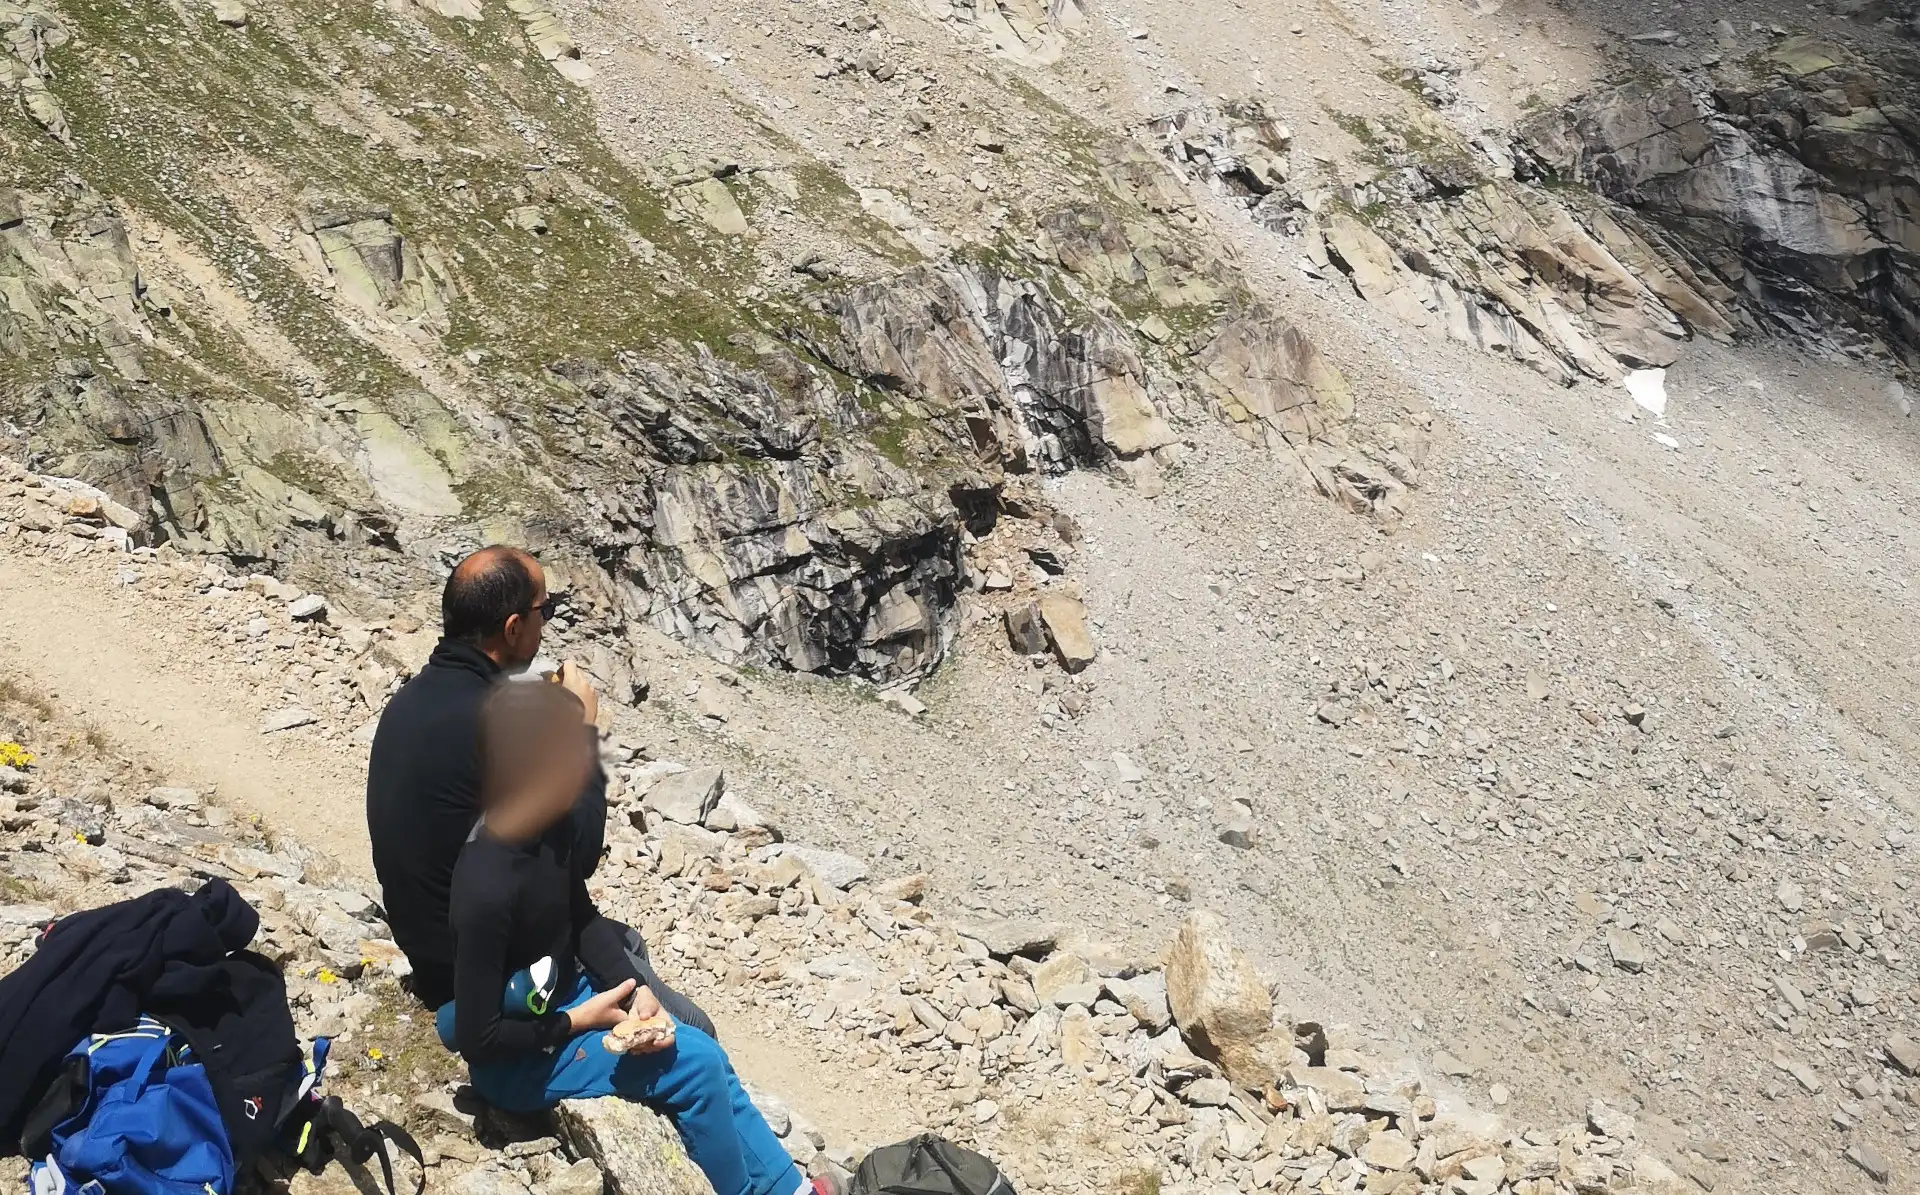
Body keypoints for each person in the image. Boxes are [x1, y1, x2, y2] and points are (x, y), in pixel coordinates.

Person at [441, 682, 831, 1195]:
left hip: (564, 1002)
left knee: (698, 1046)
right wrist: (578, 1021)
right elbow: (477, 1038)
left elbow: (579, 917)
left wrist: (632, 985)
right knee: (693, 1068)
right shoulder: (486, 885)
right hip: (520, 1060)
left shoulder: (544, 828)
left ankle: (787, 1188)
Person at [365, 545, 712, 1035]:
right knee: (697, 1030)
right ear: (512, 628)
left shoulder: (414, 698)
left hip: (432, 951)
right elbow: (581, 853)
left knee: (627, 940)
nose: (547, 622)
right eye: (543, 611)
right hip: (496, 976)